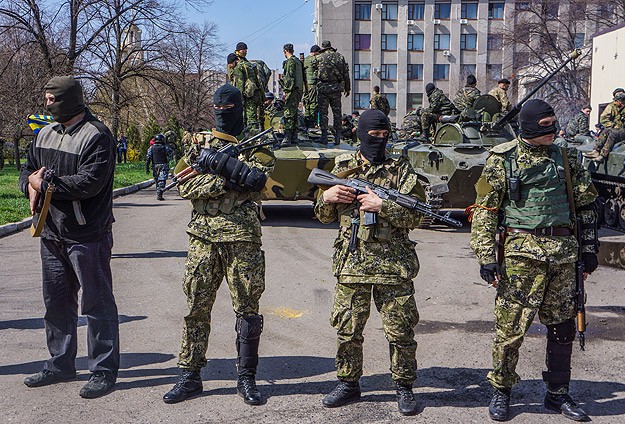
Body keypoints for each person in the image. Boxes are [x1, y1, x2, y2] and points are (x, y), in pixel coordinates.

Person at [468, 99, 599, 422]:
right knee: (510, 329)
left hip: (563, 256)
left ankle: (558, 394)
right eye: (545, 127)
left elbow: (585, 207)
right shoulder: (503, 160)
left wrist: (588, 250)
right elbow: (485, 212)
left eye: (554, 125)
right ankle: (501, 390)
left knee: (562, 328)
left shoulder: (566, 157)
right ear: (528, 127)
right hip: (520, 258)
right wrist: (486, 257)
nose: (553, 132)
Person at [163, 84, 275, 406]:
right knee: (196, 308)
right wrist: (226, 177)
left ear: (239, 109)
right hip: (202, 238)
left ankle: (247, 377)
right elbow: (184, 185)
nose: (222, 115)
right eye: (218, 110)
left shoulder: (259, 144)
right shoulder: (200, 145)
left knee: (248, 310)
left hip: (242, 238)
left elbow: (258, 183)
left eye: (229, 110)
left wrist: (219, 171)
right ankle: (189, 375)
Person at [315, 109, 425, 416]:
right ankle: (348, 383)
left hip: (394, 264)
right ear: (360, 135)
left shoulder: (402, 169)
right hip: (353, 263)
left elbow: (418, 215)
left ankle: (404, 386)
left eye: (384, 135)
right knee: (348, 330)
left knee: (401, 331)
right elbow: (322, 216)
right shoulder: (343, 167)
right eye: (372, 135)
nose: (378, 141)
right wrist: (327, 198)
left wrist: (383, 206)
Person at [18, 75, 119, 399]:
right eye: (46, 99)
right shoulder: (44, 132)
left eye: (52, 99)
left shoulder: (97, 135)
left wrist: (44, 185)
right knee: (57, 304)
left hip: (87, 235)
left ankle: (103, 371)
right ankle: (60, 364)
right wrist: (29, 184)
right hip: (51, 233)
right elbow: (27, 172)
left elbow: (89, 183)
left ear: (71, 99)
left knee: (97, 304)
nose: (47, 104)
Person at [316, 40, 350, 144]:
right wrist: (347, 88)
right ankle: (337, 138)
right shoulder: (340, 57)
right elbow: (346, 74)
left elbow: (313, 75)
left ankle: (324, 136)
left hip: (323, 89)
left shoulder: (318, 58)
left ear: (323, 48)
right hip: (336, 88)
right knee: (337, 113)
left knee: (323, 113)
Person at [229, 42, 264, 130]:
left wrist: (238, 100)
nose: (245, 51)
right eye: (244, 50)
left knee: (249, 118)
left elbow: (240, 86)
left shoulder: (239, 67)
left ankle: (251, 138)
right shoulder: (247, 64)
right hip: (255, 94)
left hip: (248, 96)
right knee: (254, 117)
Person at [584, 92, 625, 162]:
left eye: (616, 101)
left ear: (620, 101)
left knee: (613, 134)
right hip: (620, 129)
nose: (614, 103)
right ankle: (596, 151)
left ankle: (603, 155)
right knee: (606, 131)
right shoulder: (619, 108)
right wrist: (614, 126)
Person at [280, 43, 304, 146]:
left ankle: (287, 138)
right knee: (294, 114)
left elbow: (289, 78)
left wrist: (286, 92)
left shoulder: (290, 62)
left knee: (288, 113)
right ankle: (294, 137)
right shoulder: (298, 61)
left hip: (292, 90)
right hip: (298, 90)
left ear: (285, 51)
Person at [146, 133, 174, 200]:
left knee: (157, 180)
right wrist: (170, 159)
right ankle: (160, 193)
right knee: (162, 180)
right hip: (163, 165)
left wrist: (147, 167)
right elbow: (171, 153)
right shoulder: (165, 147)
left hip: (154, 165)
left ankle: (158, 192)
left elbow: (148, 158)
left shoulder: (151, 148)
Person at [303, 45, 321, 129]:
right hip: (312, 84)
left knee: (306, 102)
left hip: (305, 84)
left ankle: (306, 119)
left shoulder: (305, 59)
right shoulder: (314, 59)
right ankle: (311, 122)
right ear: (315, 52)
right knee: (313, 102)